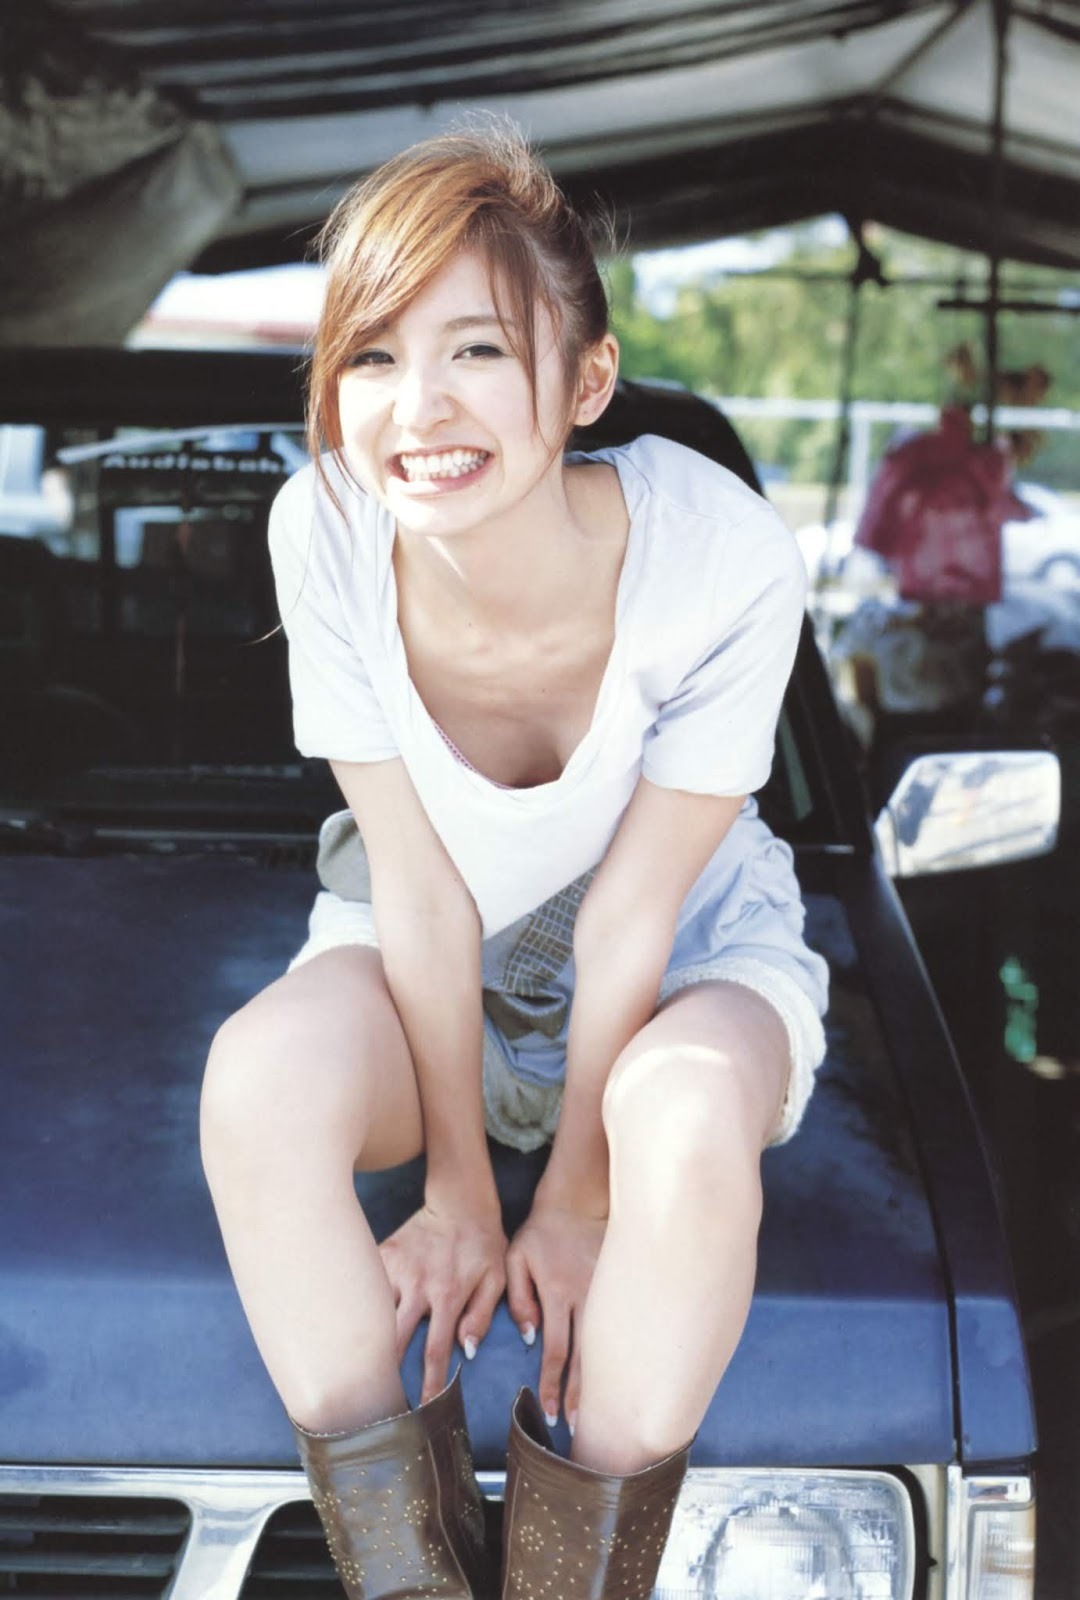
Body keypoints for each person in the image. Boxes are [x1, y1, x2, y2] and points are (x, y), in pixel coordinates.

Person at [199, 121, 829, 1600]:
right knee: (258, 1082)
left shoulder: (721, 556)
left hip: (682, 958)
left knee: (683, 1112)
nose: (417, 407)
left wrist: (581, 1199)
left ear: (586, 382)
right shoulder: (326, 528)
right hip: (422, 947)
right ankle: (408, 1577)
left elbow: (630, 915)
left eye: (476, 350)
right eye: (371, 357)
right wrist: (460, 1193)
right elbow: (418, 889)